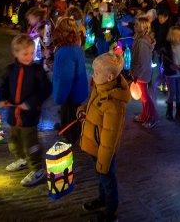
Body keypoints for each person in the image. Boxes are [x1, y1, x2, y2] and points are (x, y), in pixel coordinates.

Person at [79, 52, 131, 222]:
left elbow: (110, 138)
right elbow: (93, 105)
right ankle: (102, 200)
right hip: (96, 148)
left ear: (109, 77)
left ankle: (110, 213)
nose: (93, 75)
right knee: (101, 178)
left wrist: (103, 161)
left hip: (104, 152)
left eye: (96, 72)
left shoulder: (113, 104)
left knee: (107, 179)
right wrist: (83, 111)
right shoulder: (100, 87)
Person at [0, 34, 50, 187]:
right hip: (13, 116)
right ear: (15, 53)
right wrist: (1, 99)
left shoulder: (37, 70)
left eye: (32, 53)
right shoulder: (10, 70)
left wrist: (30, 103)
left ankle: (37, 169)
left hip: (30, 117)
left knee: (30, 144)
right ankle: (21, 159)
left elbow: (45, 90)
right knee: (14, 141)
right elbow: (3, 87)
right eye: (25, 53)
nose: (29, 57)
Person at [52, 17, 89, 144]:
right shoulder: (76, 48)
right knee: (72, 113)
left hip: (70, 93)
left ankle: (70, 136)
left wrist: (60, 96)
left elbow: (65, 79)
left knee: (70, 115)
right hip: (77, 90)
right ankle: (67, 129)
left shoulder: (64, 52)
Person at [130, 16, 158, 128]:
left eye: (136, 25)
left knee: (145, 97)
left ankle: (152, 117)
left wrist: (137, 74)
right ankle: (144, 115)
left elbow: (143, 61)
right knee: (143, 96)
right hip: (140, 72)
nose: (134, 26)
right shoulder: (139, 39)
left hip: (141, 73)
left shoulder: (142, 42)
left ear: (142, 27)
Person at [160, 26, 180, 123]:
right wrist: (171, 66)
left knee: (179, 93)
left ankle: (178, 114)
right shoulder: (167, 47)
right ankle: (169, 112)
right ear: (175, 36)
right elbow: (165, 61)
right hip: (171, 74)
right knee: (172, 92)